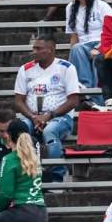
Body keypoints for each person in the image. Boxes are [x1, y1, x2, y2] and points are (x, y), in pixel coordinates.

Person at [13, 35, 81, 183]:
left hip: (60, 118)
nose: (34, 51)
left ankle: (57, 176)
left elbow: (74, 100)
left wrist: (49, 116)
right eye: (33, 48)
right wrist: (33, 117)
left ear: (51, 50)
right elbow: (18, 101)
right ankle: (25, 174)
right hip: (33, 117)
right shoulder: (25, 69)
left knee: (50, 130)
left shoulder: (66, 68)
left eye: (38, 48)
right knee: (19, 128)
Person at [65, 0, 110, 98]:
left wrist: (98, 48)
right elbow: (74, 37)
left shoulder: (101, 6)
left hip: (102, 43)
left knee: (98, 58)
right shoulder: (70, 7)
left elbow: (110, 33)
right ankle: (86, 88)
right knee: (77, 48)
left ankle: (98, 97)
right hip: (83, 46)